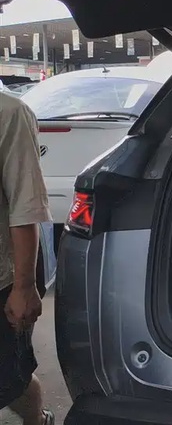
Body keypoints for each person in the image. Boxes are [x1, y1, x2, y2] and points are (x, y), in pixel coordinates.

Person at [1, 91, 54, 425]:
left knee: (11, 380)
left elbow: (25, 207)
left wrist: (24, 287)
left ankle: (37, 420)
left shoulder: (9, 113)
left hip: (2, 279)